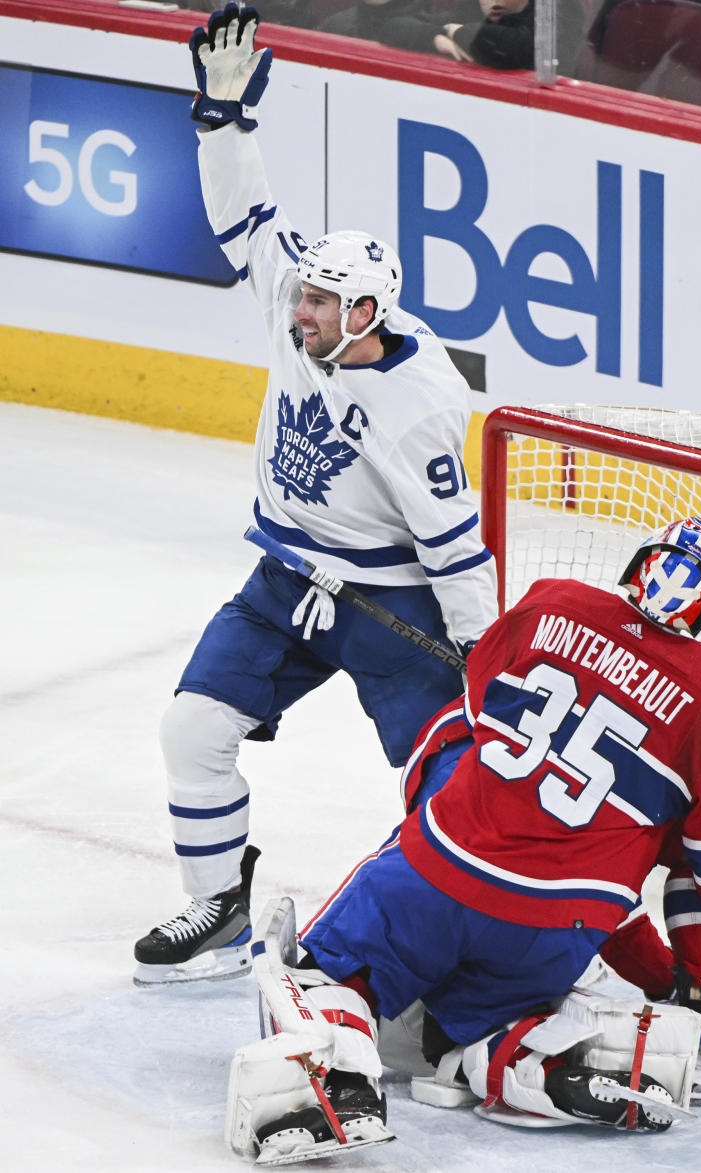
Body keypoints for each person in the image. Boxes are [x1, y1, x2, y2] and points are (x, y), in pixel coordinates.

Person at [222, 517, 701, 1162]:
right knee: (486, 1013)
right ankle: (519, 1060)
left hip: (435, 878)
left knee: (326, 975)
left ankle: (336, 1079)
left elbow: (450, 742)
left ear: (640, 566)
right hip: (559, 929)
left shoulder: (549, 602)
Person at [133, 5, 498, 987]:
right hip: (285, 581)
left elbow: (455, 544)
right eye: (303, 298)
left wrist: (480, 649)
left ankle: (468, 936)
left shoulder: (419, 404)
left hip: (391, 606)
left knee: (452, 787)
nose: (300, 314)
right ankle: (216, 902)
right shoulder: (298, 302)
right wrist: (222, 120)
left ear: (368, 313)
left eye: (321, 305)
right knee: (193, 731)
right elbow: (243, 217)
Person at [323, 0, 586, 77]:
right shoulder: (471, 9)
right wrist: (436, 36)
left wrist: (456, 31)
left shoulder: (559, 9)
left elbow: (514, 49)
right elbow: (394, 28)